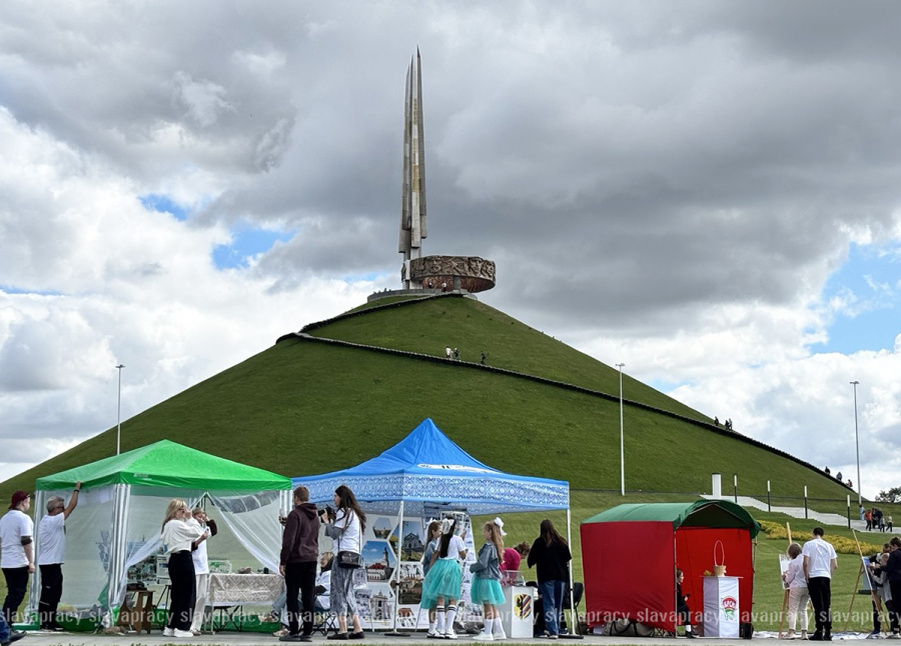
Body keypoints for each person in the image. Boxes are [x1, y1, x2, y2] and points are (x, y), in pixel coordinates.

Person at [160, 499, 210, 638]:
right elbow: (196, 532)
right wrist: (191, 519)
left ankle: (170, 626)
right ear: (176, 512)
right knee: (187, 595)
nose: (186, 512)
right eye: (183, 510)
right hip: (183, 558)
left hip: (174, 559)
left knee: (176, 595)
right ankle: (182, 627)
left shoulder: (168, 525)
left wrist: (187, 520)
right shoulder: (177, 524)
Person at [323, 484, 366, 640]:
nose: (334, 499)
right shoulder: (354, 513)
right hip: (353, 556)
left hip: (342, 557)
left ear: (342, 497)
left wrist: (327, 521)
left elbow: (334, 533)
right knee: (348, 591)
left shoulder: (344, 512)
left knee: (339, 592)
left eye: (335, 496)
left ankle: (342, 630)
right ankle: (357, 628)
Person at [36, 482, 82, 631]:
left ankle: (50, 620)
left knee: (55, 593)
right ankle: (46, 622)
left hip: (53, 563)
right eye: (61, 508)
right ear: (56, 509)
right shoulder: (52, 520)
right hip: (50, 563)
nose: (63, 510)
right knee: (49, 593)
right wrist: (76, 489)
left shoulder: (51, 521)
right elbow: (72, 507)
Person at [280, 485, 320, 642]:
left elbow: (289, 540)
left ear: (296, 498)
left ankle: (294, 630)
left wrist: (283, 561)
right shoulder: (315, 515)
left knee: (292, 596)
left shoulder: (295, 514)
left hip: (296, 560)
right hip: (311, 559)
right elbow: (311, 535)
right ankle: (307, 632)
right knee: (308, 597)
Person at [421, 518, 467, 639]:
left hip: (439, 566)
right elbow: (463, 555)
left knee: (440, 598)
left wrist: (431, 571)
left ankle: (440, 628)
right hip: (452, 566)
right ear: (454, 527)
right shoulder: (457, 539)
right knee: (452, 598)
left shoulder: (441, 539)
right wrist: (462, 545)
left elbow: (435, 555)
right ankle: (449, 629)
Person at [527, 519, 572, 639]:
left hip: (546, 577)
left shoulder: (539, 542)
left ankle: (553, 631)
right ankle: (557, 627)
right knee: (558, 604)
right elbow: (568, 558)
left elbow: (531, 560)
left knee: (549, 604)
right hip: (561, 577)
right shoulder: (561, 541)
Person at [1, 491, 34, 628]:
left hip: (6, 561)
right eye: (28, 501)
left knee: (13, 594)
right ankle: (5, 626)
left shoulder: (4, 518)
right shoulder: (23, 519)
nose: (29, 504)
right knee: (17, 595)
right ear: (22, 502)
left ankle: (5, 625)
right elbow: (26, 540)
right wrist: (31, 561)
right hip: (18, 561)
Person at [471, 519, 507, 641]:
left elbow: (482, 563)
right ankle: (499, 631)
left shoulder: (488, 546)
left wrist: (472, 567)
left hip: (486, 578)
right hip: (493, 579)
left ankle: (487, 632)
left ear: (490, 532)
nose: (483, 533)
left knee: (487, 605)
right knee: (492, 605)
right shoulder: (495, 546)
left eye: (485, 531)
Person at [802, 527, 837, 641]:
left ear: (813, 534)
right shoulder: (829, 546)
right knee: (827, 605)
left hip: (814, 576)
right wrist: (829, 573)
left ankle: (819, 630)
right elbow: (835, 565)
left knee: (818, 605)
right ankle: (828, 630)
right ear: (822, 534)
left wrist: (806, 575)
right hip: (825, 576)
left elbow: (806, 563)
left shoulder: (808, 544)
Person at [187, 506, 217, 636]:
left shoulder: (204, 529)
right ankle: (187, 623)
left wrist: (207, 518)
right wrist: (201, 539)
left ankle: (196, 625)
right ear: (193, 516)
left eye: (202, 516)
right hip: (194, 566)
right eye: (198, 516)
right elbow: (190, 546)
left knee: (202, 597)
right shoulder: (190, 529)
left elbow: (214, 530)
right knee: (192, 597)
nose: (201, 518)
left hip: (203, 567)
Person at [873, 537, 901, 639]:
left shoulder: (895, 554)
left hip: (895, 581)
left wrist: (879, 567)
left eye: (891, 547)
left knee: (897, 606)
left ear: (894, 545)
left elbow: (889, 568)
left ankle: (896, 629)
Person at [782, 542, 809, 639]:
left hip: (796, 586)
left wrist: (784, 577)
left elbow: (790, 578)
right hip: (807, 586)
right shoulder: (807, 560)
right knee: (803, 609)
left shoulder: (793, 563)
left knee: (792, 609)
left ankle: (791, 631)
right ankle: (804, 633)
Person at [421, 520, 442, 637]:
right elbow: (430, 560)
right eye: (439, 531)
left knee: (439, 602)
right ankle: (432, 627)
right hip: (432, 575)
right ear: (433, 532)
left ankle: (438, 626)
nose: (441, 533)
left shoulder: (439, 544)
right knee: (433, 603)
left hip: (438, 575)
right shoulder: (432, 545)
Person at [676, 569, 695, 638]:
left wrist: (683, 598)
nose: (683, 577)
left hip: (674, 606)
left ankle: (688, 631)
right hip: (674, 608)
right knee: (686, 608)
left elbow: (678, 599)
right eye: (682, 576)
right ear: (677, 577)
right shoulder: (677, 586)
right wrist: (684, 599)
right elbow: (679, 601)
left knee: (685, 608)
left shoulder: (675, 585)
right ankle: (688, 631)